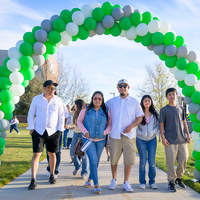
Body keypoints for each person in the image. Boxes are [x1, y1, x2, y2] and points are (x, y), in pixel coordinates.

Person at [106, 79, 143, 192]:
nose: (122, 88)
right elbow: (99, 106)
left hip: (129, 136)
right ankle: (114, 180)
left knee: (128, 160)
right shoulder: (110, 102)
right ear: (117, 87)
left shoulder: (134, 102)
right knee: (114, 160)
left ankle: (126, 182)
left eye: (124, 86)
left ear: (128, 87)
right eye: (120, 86)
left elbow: (140, 117)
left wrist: (131, 127)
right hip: (114, 135)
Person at [27, 80, 64, 190]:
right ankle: (33, 179)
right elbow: (30, 113)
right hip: (38, 131)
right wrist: (31, 127)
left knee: (52, 154)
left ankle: (52, 175)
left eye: (54, 88)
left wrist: (59, 130)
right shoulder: (36, 99)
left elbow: (61, 116)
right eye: (50, 88)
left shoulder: (58, 100)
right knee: (36, 154)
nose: (53, 90)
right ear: (44, 88)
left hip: (53, 132)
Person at [77, 91, 112, 194]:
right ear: (92, 99)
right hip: (88, 139)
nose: (97, 100)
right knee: (93, 160)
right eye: (95, 98)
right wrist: (85, 131)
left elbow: (110, 124)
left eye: (99, 99)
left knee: (95, 162)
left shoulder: (106, 110)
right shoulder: (86, 109)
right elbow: (79, 121)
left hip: (101, 140)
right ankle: (96, 185)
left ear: (102, 100)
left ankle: (89, 180)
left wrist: (105, 132)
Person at [159, 88, 191, 192]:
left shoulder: (181, 108)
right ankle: (171, 181)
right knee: (170, 162)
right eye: (169, 94)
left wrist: (188, 135)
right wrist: (163, 138)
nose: (172, 96)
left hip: (182, 139)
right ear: (167, 97)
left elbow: (184, 122)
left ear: (176, 96)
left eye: (173, 94)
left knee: (184, 159)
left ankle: (178, 178)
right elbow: (161, 125)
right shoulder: (163, 110)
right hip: (170, 141)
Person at [136, 95, 159, 190]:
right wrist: (140, 132)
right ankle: (142, 182)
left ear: (151, 102)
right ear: (142, 102)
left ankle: (152, 182)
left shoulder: (155, 113)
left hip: (152, 140)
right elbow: (134, 125)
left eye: (148, 100)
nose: (146, 102)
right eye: (145, 100)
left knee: (152, 162)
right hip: (140, 139)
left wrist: (153, 132)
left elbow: (158, 125)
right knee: (142, 161)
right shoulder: (138, 113)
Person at [46, 102, 69, 178]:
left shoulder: (61, 104)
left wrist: (61, 127)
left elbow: (66, 116)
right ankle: (50, 169)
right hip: (47, 131)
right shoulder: (46, 104)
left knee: (57, 151)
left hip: (57, 131)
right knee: (48, 151)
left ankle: (55, 171)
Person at [70, 99, 88, 179]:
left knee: (84, 155)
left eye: (75, 105)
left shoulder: (85, 113)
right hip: (75, 135)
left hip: (83, 135)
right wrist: (67, 126)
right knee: (72, 153)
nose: (74, 106)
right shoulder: (75, 114)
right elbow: (75, 124)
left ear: (78, 105)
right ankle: (77, 166)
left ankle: (84, 172)